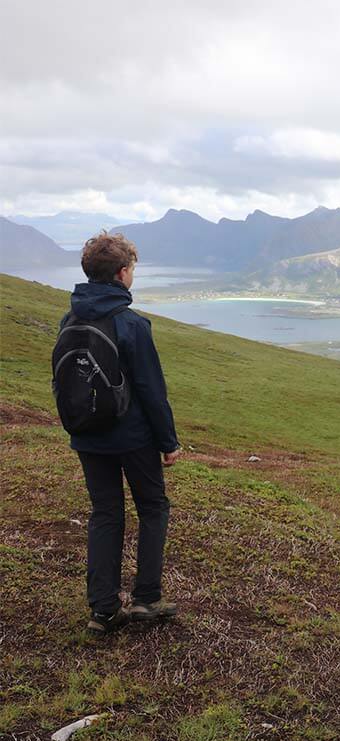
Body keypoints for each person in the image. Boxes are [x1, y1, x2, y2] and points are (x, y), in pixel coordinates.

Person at [61, 232, 182, 635]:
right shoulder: (131, 325)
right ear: (122, 273)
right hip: (133, 439)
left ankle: (104, 611)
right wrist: (168, 443)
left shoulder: (70, 319)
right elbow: (151, 390)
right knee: (153, 508)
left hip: (87, 437)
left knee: (106, 514)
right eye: (132, 268)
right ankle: (147, 597)